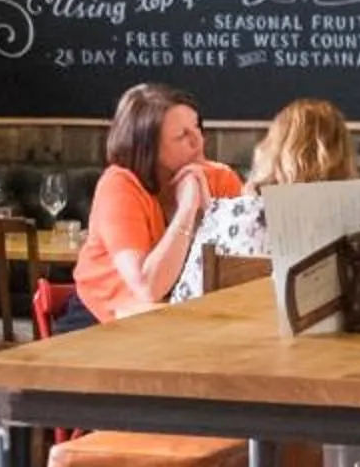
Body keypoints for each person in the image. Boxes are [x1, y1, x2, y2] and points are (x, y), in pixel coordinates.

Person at [63, 83, 242, 327]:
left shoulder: (220, 178)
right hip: (101, 324)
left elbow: (244, 267)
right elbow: (148, 288)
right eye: (182, 136)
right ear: (148, 148)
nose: (198, 141)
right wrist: (187, 209)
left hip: (178, 322)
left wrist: (209, 211)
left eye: (197, 128)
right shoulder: (119, 185)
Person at [170, 97, 355, 301]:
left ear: (271, 148)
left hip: (230, 321)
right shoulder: (355, 226)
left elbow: (184, 302)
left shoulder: (228, 216)